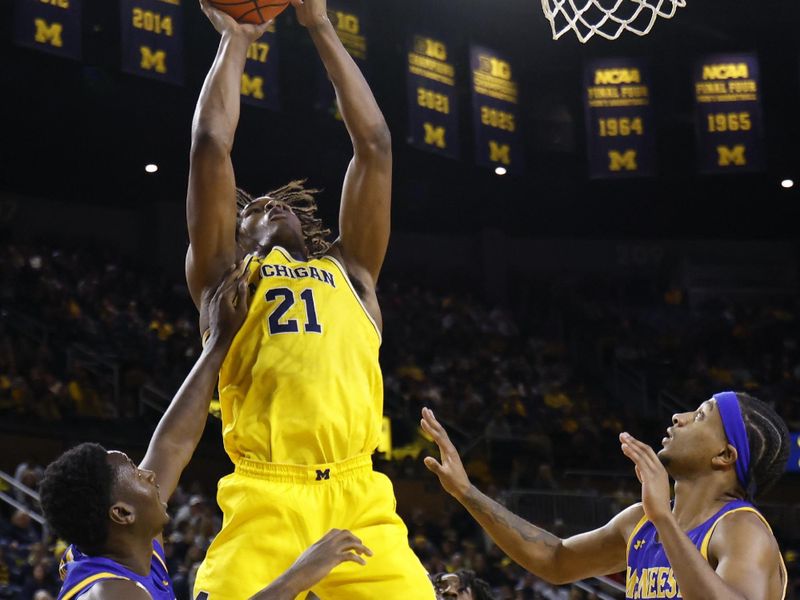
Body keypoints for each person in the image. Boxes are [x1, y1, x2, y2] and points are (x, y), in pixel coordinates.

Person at [185, 0, 434, 598]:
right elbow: (209, 148)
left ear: (308, 221)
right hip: (266, 489)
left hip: (359, 492)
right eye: (247, 210)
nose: (262, 204)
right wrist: (237, 41)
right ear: (236, 235)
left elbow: (373, 143)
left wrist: (320, 24)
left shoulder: (353, 272)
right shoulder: (227, 276)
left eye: (278, 201)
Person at [39, 268, 372, 600]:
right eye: (138, 475)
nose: (151, 475)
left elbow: (172, 444)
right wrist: (297, 577)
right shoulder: (110, 593)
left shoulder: (120, 545)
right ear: (123, 513)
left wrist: (218, 344)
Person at [422, 392, 791, 599]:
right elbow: (554, 560)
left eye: (699, 416)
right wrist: (466, 492)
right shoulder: (640, 522)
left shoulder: (741, 529)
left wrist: (663, 518)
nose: (679, 416)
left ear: (724, 456)